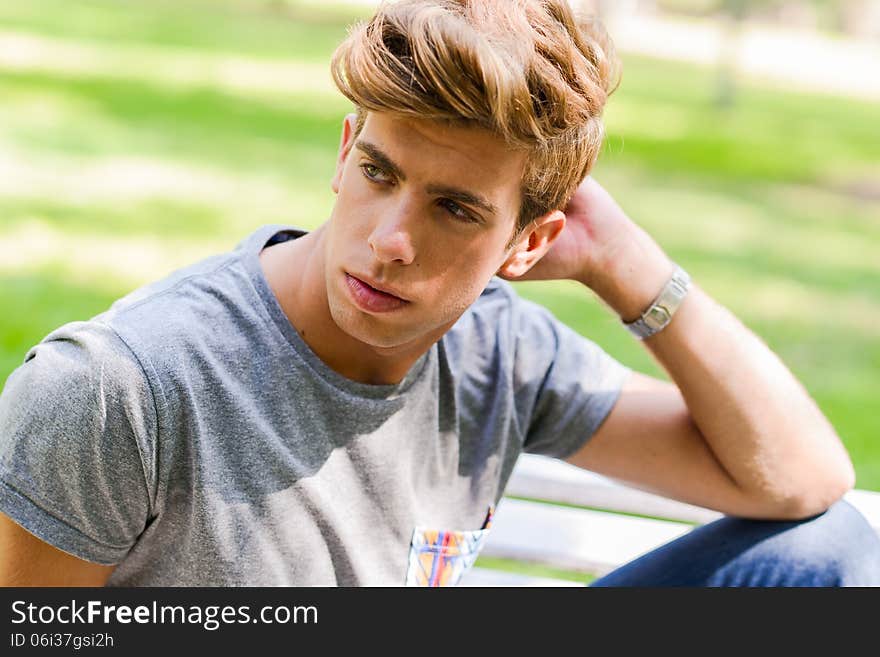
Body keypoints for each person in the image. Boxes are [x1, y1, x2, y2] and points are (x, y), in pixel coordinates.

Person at [0, 0, 878, 588]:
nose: (390, 241)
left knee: (824, 554)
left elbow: (802, 482)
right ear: (345, 151)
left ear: (529, 242)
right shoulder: (115, 393)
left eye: (456, 209)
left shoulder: (499, 350)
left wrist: (631, 267)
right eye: (379, 172)